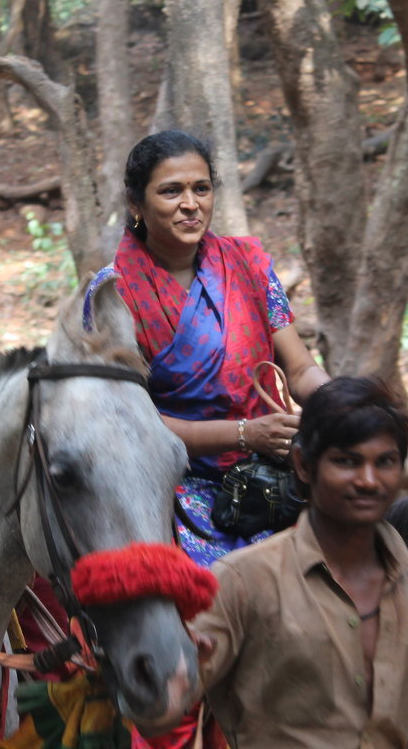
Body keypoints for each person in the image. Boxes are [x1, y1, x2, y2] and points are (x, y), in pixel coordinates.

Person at [100, 129, 331, 567]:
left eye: (201, 188)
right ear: (135, 204)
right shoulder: (114, 296)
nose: (191, 204)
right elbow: (127, 423)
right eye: (171, 191)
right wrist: (246, 434)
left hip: (274, 474)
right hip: (172, 489)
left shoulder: (248, 267)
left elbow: (300, 371)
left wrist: (338, 407)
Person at [187, 376, 408, 748]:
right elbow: (162, 709)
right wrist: (175, 668)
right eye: (347, 462)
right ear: (304, 466)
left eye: (385, 462)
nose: (369, 480)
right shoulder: (244, 579)